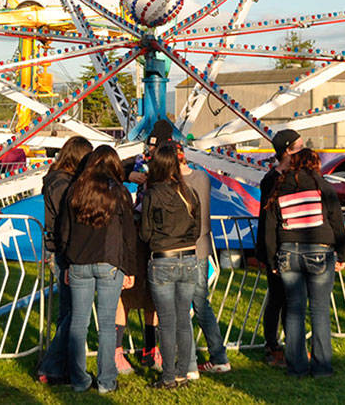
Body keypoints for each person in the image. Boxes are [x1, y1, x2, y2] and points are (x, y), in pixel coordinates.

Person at [58, 145, 137, 394]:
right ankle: (106, 381)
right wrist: (130, 268)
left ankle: (79, 378)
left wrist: (66, 261)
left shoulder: (76, 190)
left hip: (79, 262)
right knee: (106, 324)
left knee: (78, 323)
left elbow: (64, 231)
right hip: (109, 262)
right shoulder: (120, 193)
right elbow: (128, 235)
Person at [264, 148, 345, 378]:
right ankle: (322, 366)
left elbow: (270, 228)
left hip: (288, 251)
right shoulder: (323, 187)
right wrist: (342, 254)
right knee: (319, 310)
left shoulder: (279, 187)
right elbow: (337, 223)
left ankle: (296, 367)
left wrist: (271, 258)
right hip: (320, 249)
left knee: (294, 310)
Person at [139, 143, 201, 389]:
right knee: (183, 320)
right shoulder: (189, 193)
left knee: (166, 321)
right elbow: (196, 228)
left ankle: (168, 376)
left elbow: (145, 232)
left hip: (163, 258)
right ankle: (183, 372)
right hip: (188, 257)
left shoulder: (153, 194)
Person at [35, 136, 94, 385]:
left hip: (59, 249)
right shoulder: (62, 184)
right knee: (75, 313)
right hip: (63, 250)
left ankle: (62, 365)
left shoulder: (58, 179)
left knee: (68, 312)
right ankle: (51, 365)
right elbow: (66, 219)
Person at [177, 144, 229, 376]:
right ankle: (219, 356)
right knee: (201, 304)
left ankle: (188, 363)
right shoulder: (202, 177)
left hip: (184, 249)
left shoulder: (176, 183)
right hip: (202, 246)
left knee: (182, 304)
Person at [256, 129, 301, 367]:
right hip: (277, 246)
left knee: (292, 298)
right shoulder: (272, 180)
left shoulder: (298, 176)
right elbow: (268, 219)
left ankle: (292, 343)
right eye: (298, 146)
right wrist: (268, 252)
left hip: (295, 245)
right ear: (287, 150)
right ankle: (272, 344)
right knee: (277, 298)